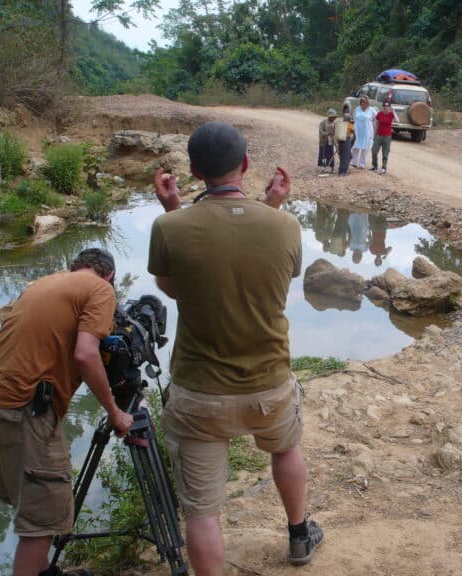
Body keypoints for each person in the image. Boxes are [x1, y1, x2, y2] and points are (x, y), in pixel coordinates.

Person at [147, 121, 324, 575]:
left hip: (200, 396)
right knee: (285, 449)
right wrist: (271, 205)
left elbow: (175, 288)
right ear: (245, 165)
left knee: (202, 512)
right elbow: (265, 277)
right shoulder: (285, 225)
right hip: (269, 388)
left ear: (193, 170)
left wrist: (174, 208)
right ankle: (299, 534)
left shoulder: (169, 226)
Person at [0, 248, 134, 576]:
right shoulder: (100, 289)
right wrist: (115, 412)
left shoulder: (44, 284)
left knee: (34, 507)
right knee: (42, 521)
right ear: (109, 277)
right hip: (26, 408)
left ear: (73, 267)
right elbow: (86, 355)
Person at [370, 101, 399, 175]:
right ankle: (374, 165)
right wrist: (374, 134)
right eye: (385, 106)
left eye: (388, 106)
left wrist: (393, 111)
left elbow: (397, 121)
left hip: (387, 136)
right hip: (379, 135)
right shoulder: (379, 114)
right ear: (383, 106)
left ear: (389, 106)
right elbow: (376, 124)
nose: (386, 107)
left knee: (385, 153)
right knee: (374, 151)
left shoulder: (391, 114)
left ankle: (384, 167)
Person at [351, 95, 377, 169]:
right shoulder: (357, 109)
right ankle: (354, 162)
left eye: (364, 102)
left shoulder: (372, 110)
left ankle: (362, 164)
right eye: (361, 102)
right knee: (356, 146)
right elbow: (354, 118)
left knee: (365, 147)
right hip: (358, 130)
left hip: (367, 131)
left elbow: (377, 118)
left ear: (367, 102)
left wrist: (376, 128)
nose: (362, 103)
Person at [317, 109, 337, 174]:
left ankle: (332, 168)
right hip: (324, 141)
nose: (334, 118)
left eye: (335, 117)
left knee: (331, 154)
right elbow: (320, 131)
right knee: (324, 155)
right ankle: (324, 167)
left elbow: (335, 132)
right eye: (333, 117)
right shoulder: (323, 122)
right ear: (330, 116)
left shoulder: (334, 123)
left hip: (331, 141)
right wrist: (327, 133)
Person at [335, 111, 354, 176]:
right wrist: (351, 144)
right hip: (346, 140)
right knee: (346, 157)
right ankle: (342, 172)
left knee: (345, 156)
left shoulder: (340, 124)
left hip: (340, 141)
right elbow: (355, 136)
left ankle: (342, 170)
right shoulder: (350, 125)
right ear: (349, 119)